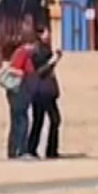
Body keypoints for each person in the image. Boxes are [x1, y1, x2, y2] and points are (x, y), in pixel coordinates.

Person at [27, 26, 63, 159]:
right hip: (42, 91)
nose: (49, 35)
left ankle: (45, 149)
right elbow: (40, 71)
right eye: (46, 33)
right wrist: (53, 60)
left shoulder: (45, 49)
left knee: (44, 120)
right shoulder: (37, 51)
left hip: (45, 91)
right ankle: (42, 149)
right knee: (49, 120)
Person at [4, 25, 37, 159]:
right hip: (18, 90)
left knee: (17, 120)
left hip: (19, 90)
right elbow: (12, 69)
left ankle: (13, 150)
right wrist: (23, 73)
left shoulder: (23, 52)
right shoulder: (22, 52)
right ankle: (20, 150)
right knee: (21, 120)